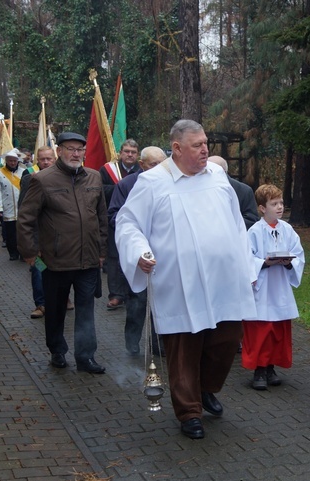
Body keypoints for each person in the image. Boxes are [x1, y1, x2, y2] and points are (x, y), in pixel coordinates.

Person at [115, 119, 257, 439]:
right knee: (184, 348)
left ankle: (206, 389)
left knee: (226, 340)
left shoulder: (218, 176)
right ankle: (189, 411)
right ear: (177, 148)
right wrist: (139, 251)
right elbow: (127, 223)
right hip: (180, 282)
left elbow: (236, 224)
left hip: (224, 280)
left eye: (206, 143)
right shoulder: (153, 182)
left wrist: (247, 267)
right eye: (197, 145)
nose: (206, 149)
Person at [17, 132, 108, 374]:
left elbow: (101, 218)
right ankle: (57, 350)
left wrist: (101, 251)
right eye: (70, 148)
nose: (76, 154)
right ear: (59, 151)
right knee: (55, 309)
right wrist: (30, 254)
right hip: (54, 261)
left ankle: (85, 357)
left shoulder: (94, 177)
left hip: (88, 260)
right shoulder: (42, 180)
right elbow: (26, 219)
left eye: (80, 149)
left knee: (86, 310)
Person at [243, 184, 305, 390]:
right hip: (263, 285)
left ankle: (270, 367)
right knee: (261, 329)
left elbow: (298, 253)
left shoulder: (287, 229)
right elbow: (246, 258)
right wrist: (263, 263)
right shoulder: (254, 231)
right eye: (274, 204)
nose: (279, 207)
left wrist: (289, 262)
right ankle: (259, 369)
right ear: (262, 208)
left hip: (279, 286)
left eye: (281, 203)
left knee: (277, 329)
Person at [107, 146, 167, 356]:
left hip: (163, 254)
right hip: (137, 253)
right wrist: (135, 232)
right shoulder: (127, 185)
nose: (160, 168)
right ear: (142, 165)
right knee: (137, 302)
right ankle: (132, 344)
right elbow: (114, 215)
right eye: (154, 164)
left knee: (161, 302)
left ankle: (158, 343)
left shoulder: (169, 184)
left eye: (163, 164)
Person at [18, 145, 74, 319]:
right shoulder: (29, 178)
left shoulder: (67, 176)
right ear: (37, 160)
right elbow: (24, 210)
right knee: (38, 270)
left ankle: (63, 298)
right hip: (39, 237)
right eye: (42, 159)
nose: (46, 162)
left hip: (61, 237)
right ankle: (41, 304)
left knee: (63, 271)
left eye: (49, 158)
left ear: (55, 158)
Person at [101, 139, 141, 311]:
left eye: (133, 151)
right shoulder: (107, 170)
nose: (130, 154)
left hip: (137, 222)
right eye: (126, 151)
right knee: (114, 258)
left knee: (134, 256)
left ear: (138, 155)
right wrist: (119, 188)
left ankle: (133, 292)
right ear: (120, 153)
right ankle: (116, 295)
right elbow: (100, 190)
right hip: (114, 219)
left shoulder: (144, 171)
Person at [0, 149, 29, 261]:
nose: (12, 163)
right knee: (10, 233)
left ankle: (23, 253)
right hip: (8, 207)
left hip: (22, 207)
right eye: (10, 161)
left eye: (14, 160)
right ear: (6, 161)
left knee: (23, 233)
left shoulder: (24, 171)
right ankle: (13, 253)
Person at [208, 155, 258, 230]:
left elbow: (251, 219)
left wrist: (225, 225)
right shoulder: (201, 189)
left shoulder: (244, 191)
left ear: (223, 171)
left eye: (209, 170)